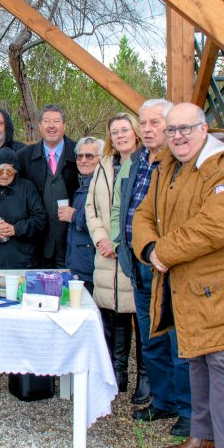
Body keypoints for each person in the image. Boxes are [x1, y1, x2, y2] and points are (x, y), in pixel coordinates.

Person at [132, 102, 224, 448]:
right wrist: (149, 247)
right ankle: (202, 434)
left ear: (204, 129)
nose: (178, 137)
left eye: (185, 129)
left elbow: (216, 228)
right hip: (187, 286)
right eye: (172, 131)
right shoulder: (168, 168)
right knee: (196, 359)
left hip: (222, 289)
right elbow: (143, 214)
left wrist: (162, 252)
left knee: (221, 364)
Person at [120, 99, 192, 437]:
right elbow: (132, 211)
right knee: (151, 339)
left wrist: (161, 252)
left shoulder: (180, 164)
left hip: (167, 266)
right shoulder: (138, 161)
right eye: (143, 123)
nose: (147, 129)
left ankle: (188, 409)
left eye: (155, 123)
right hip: (138, 263)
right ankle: (162, 400)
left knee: (178, 341)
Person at [85, 114, 148, 402]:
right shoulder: (104, 165)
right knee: (114, 313)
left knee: (141, 317)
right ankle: (117, 373)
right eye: (115, 131)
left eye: (125, 130)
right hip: (105, 254)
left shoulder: (146, 164)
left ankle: (145, 378)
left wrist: (120, 241)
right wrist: (101, 238)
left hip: (134, 252)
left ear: (135, 133)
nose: (121, 135)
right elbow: (91, 208)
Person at [14, 104, 78, 267]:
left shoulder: (80, 154)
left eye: (56, 121)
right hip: (36, 244)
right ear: (40, 126)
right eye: (47, 121)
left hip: (71, 241)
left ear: (64, 126)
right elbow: (4, 176)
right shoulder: (24, 157)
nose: (51, 126)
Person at [64, 136, 103, 283]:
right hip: (78, 265)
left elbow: (107, 223)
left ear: (101, 158)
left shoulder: (104, 184)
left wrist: (75, 216)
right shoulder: (83, 182)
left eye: (89, 156)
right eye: (79, 156)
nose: (83, 160)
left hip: (92, 266)